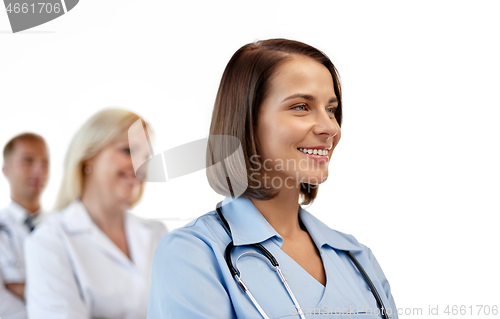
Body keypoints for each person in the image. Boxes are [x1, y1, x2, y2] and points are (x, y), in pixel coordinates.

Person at [147, 39, 399, 319]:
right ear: (247, 120)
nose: (330, 127)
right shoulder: (192, 254)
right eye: (301, 106)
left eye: (330, 109)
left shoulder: (356, 257)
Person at [25, 109, 168, 319]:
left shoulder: (157, 234)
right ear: (88, 157)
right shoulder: (49, 240)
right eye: (128, 151)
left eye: (146, 157)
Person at [0, 132, 49, 319]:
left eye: (45, 163)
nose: (39, 170)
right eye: (28, 161)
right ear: (6, 169)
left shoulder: (64, 226)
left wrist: (22, 289)